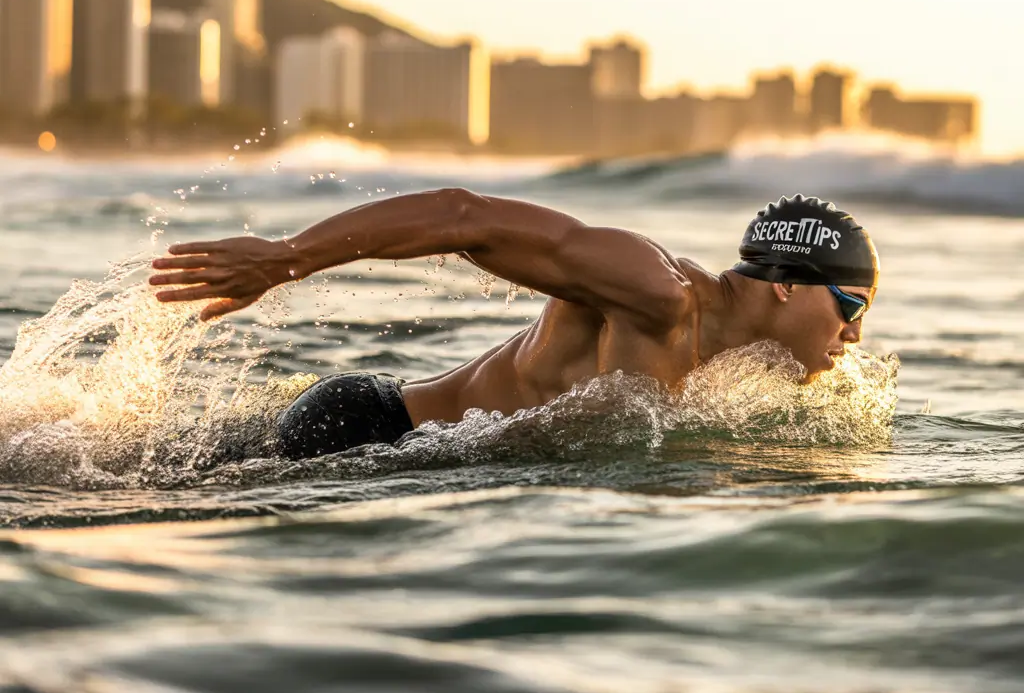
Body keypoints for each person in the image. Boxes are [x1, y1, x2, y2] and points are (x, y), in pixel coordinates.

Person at [150, 190, 878, 460]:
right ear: (787, 286)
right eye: (852, 307)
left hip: (411, 455)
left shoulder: (739, 367)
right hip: (367, 431)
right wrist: (287, 259)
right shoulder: (655, 292)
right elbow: (465, 217)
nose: (854, 336)